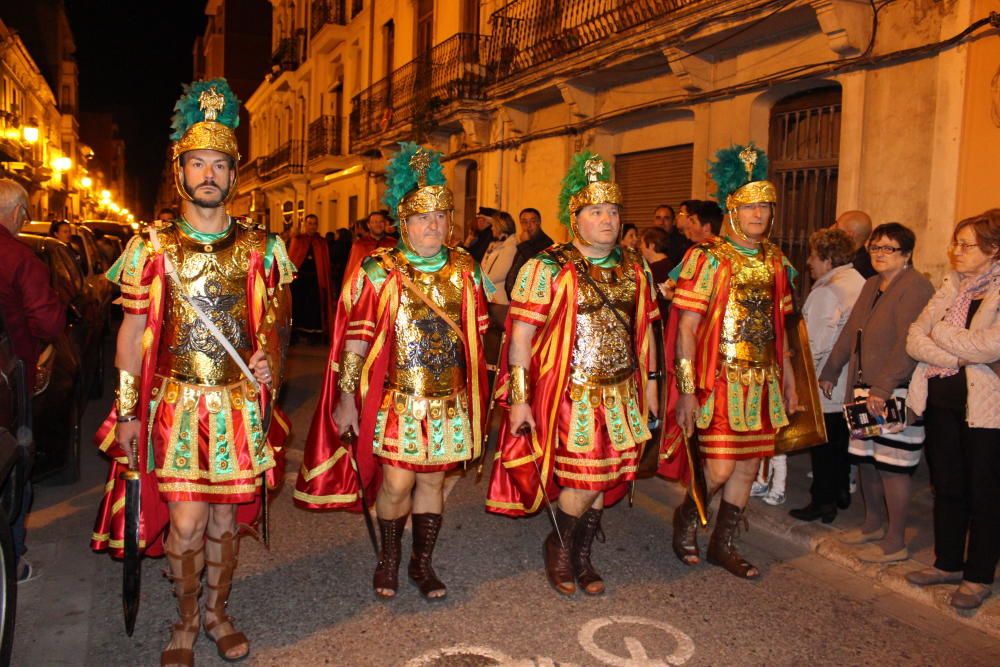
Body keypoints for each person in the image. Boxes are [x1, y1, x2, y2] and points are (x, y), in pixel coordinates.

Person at [90, 79, 294, 666]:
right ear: (180, 171)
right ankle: (183, 619)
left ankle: (217, 612)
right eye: (197, 163)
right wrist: (127, 413)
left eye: (220, 165)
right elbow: (131, 334)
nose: (210, 174)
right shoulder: (150, 245)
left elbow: (275, 326)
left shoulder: (262, 246)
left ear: (234, 175)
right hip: (177, 405)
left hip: (233, 405)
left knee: (225, 518)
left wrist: (269, 361)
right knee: (184, 521)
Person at [295, 143, 490, 602]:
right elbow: (356, 340)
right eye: (424, 218)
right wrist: (346, 399)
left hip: (448, 398)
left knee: (432, 480)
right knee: (398, 480)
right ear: (404, 224)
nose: (434, 225)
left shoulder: (466, 269)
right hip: (399, 397)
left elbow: (478, 338)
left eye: (441, 217)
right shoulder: (380, 270)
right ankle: (388, 558)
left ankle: (422, 564)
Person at [487, 152, 660, 596]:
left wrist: (654, 386)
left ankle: (582, 554)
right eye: (596, 212)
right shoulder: (547, 266)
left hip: (622, 392)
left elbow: (646, 331)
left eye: (614, 211)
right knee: (583, 479)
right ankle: (559, 545)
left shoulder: (635, 266)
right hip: (570, 395)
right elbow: (520, 337)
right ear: (575, 218)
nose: (608, 219)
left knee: (605, 479)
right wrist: (520, 399)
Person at [660, 143, 800, 579]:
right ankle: (686, 521)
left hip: (763, 380)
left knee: (747, 469)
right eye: (749, 205)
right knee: (718, 468)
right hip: (718, 379)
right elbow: (685, 327)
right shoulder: (707, 257)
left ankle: (724, 544)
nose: (758, 214)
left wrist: (791, 382)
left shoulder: (778, 261)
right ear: (732, 210)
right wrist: (686, 389)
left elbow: (782, 332)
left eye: (765, 206)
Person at [819, 222, 933, 564]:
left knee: (893, 466)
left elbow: (907, 344)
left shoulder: (915, 288)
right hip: (863, 389)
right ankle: (871, 524)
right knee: (866, 459)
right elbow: (852, 331)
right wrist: (832, 369)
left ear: (907, 254)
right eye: (875, 248)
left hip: (893, 392)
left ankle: (895, 541)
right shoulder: (871, 284)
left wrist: (883, 387)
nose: (880, 254)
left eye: (889, 248)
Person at [905, 209, 1000, 610]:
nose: (955, 251)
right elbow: (913, 338)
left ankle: (978, 576)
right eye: (955, 243)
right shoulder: (951, 287)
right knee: (947, 487)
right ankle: (947, 563)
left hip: (985, 410)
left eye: (966, 245)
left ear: (993, 250)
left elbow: (992, 346)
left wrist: (942, 335)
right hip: (941, 400)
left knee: (986, 494)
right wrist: (960, 351)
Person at [0, 179, 65, 583]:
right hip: (9, 377)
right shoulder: (21, 259)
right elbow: (48, 320)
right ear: (18, 213)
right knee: (15, 460)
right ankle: (13, 557)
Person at [787, 228, 864, 523]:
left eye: (813, 255)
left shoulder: (829, 290)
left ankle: (823, 501)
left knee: (824, 444)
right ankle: (840, 491)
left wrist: (795, 373)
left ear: (828, 259)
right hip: (847, 376)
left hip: (826, 379)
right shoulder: (857, 280)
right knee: (840, 441)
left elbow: (815, 345)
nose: (809, 262)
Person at [288, 213, 335, 343]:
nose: (312, 226)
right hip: (298, 281)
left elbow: (324, 264)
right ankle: (294, 334)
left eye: (314, 224)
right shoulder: (297, 240)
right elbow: (292, 260)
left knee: (313, 308)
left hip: (315, 280)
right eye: (310, 223)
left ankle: (313, 335)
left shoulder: (321, 242)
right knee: (297, 307)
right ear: (305, 225)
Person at [504, 207, 554, 301]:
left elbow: (537, 266)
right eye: (524, 222)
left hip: (531, 302)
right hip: (518, 299)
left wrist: (525, 244)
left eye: (532, 221)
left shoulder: (546, 243)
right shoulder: (526, 241)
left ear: (539, 223)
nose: (528, 226)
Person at [343, 210, 396, 285]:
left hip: (388, 288)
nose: (378, 224)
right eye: (375, 222)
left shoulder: (393, 244)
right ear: (368, 225)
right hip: (366, 288)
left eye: (381, 222)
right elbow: (352, 272)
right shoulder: (359, 245)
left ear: (384, 224)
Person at [481, 210, 518, 310]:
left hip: (499, 300)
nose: (492, 228)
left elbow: (497, 275)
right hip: (491, 297)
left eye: (494, 225)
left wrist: (480, 282)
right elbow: (484, 268)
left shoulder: (510, 247)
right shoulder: (496, 245)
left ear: (501, 226)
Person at [639, 226, 673, 318]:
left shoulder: (654, 271)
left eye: (641, 243)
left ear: (651, 245)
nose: (640, 247)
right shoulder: (671, 266)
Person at [835, 210, 876, 279]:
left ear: (849, 235)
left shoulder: (854, 271)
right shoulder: (868, 262)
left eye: (837, 226)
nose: (832, 230)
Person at [664, 202, 693, 269]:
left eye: (681, 213)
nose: (677, 217)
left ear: (691, 218)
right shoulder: (672, 239)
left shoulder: (697, 246)